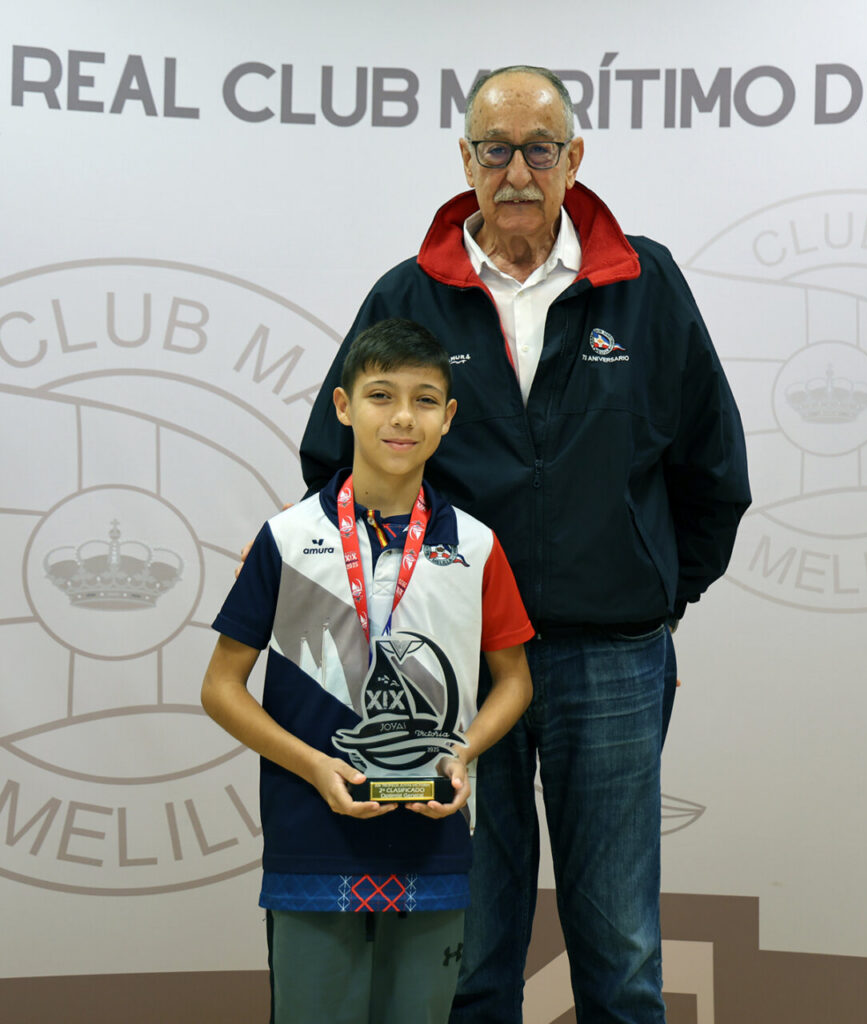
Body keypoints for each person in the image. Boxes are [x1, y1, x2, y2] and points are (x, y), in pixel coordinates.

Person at [298, 66, 751, 1024]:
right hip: (456, 668)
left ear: (572, 158)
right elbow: (334, 471)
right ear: (464, 159)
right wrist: (413, 607)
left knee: (622, 952)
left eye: (538, 148)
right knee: (469, 947)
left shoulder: (646, 283)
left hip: (615, 661)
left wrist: (655, 589)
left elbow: (713, 468)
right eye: (493, 149)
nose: (515, 171)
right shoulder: (409, 293)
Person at [205, 318, 535, 1024]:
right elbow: (220, 687)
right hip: (311, 836)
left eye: (423, 400)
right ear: (344, 406)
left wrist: (462, 751)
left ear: (447, 419)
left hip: (434, 839)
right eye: (381, 396)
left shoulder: (475, 546)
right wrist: (313, 766)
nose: (402, 418)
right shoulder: (286, 539)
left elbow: (515, 681)